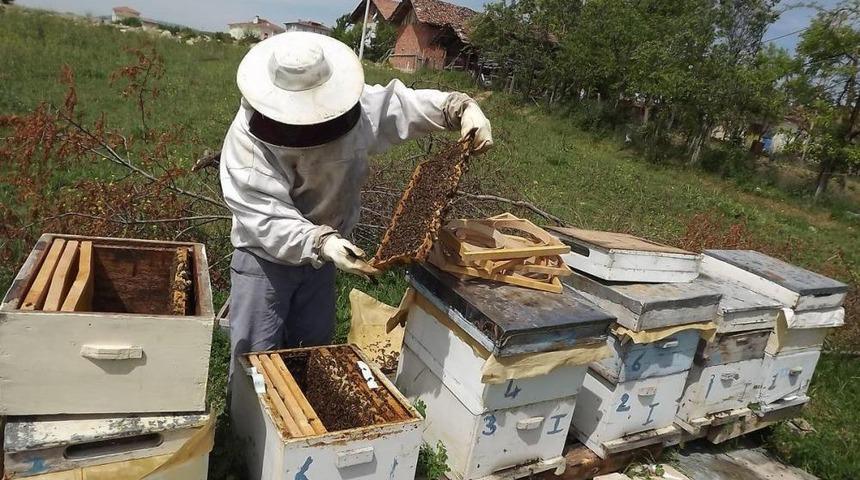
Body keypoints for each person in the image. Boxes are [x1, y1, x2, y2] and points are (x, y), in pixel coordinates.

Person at [219, 32, 493, 379]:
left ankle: (299, 427)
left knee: (311, 348)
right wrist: (322, 242)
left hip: (323, 262)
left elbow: (402, 106)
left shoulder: (349, 107)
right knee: (254, 360)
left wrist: (459, 108)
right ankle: (245, 432)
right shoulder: (247, 141)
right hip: (265, 260)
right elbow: (264, 216)